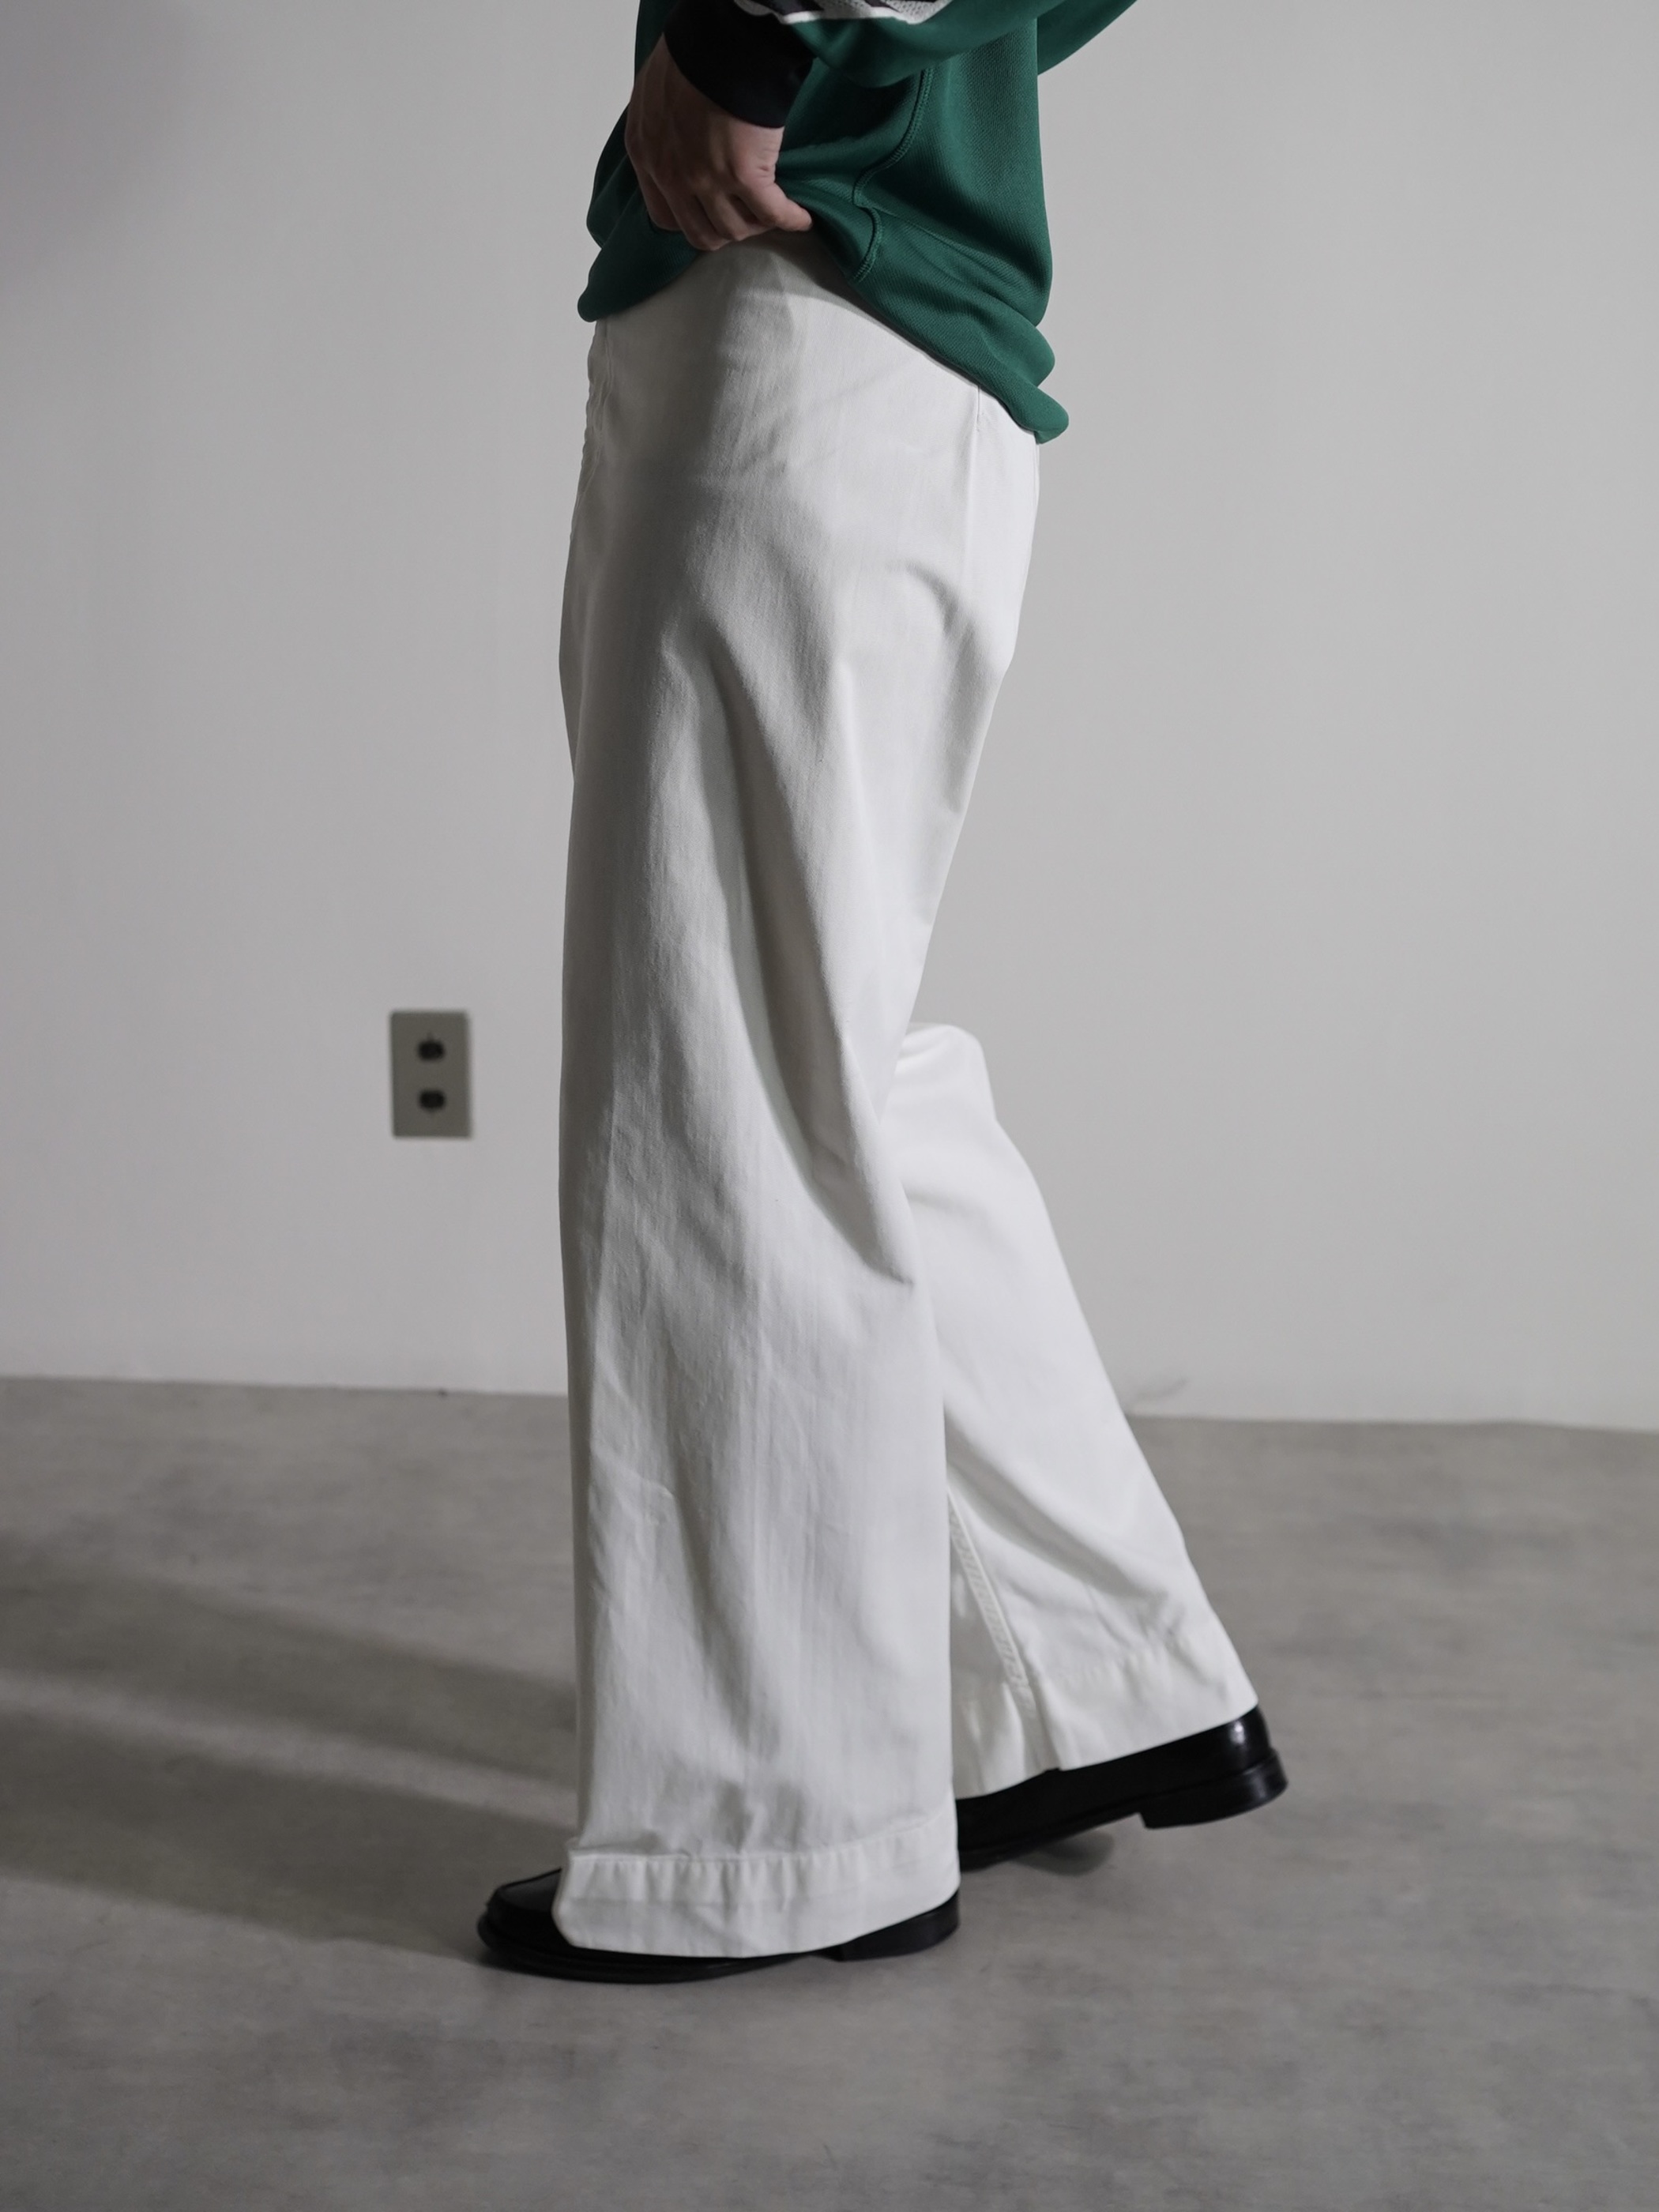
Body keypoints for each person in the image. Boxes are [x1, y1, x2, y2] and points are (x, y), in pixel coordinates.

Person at [478, 0, 1285, 1985]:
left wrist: (748, 47)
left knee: (719, 1080)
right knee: (808, 1048)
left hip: (807, 297)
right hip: (834, 323)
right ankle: (1089, 1677)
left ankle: (782, 1829)